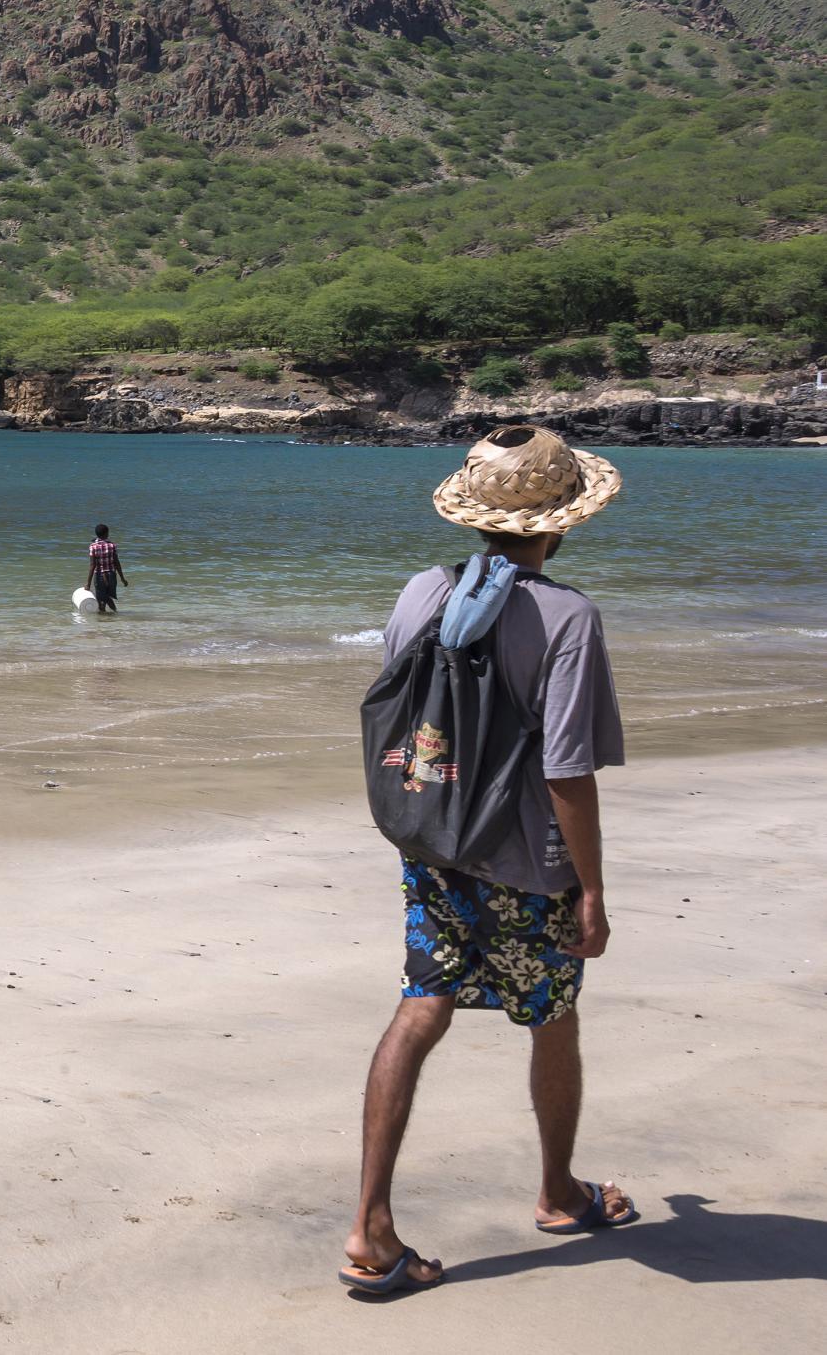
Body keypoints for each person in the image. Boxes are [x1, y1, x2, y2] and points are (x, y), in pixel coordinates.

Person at [341, 425, 636, 1297]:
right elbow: (567, 769)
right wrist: (591, 892)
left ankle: (370, 1224)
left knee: (420, 1005)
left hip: (433, 842)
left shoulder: (423, 591)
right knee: (552, 1014)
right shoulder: (567, 616)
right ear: (563, 522)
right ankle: (556, 1191)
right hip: (527, 861)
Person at [84, 524, 127, 613]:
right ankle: (111, 615)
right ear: (106, 533)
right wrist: (122, 578)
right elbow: (117, 563)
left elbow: (92, 565)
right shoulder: (112, 545)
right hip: (111, 575)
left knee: (102, 598)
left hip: (100, 576)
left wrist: (88, 583)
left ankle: (109, 615)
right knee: (106, 597)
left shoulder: (93, 546)